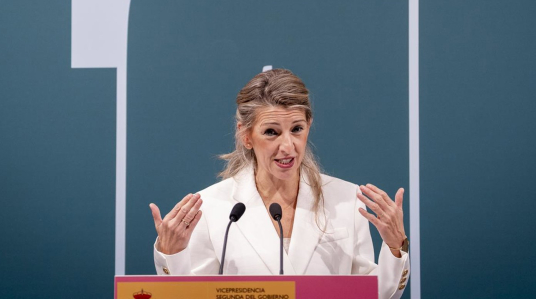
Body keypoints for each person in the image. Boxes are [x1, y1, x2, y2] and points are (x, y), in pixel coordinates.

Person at [150, 69, 410, 298]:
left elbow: (373, 295)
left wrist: (396, 247)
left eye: (296, 129)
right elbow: (193, 295)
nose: (287, 146)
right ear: (246, 135)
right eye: (271, 132)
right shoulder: (212, 208)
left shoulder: (347, 199)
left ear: (309, 125)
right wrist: (172, 253)